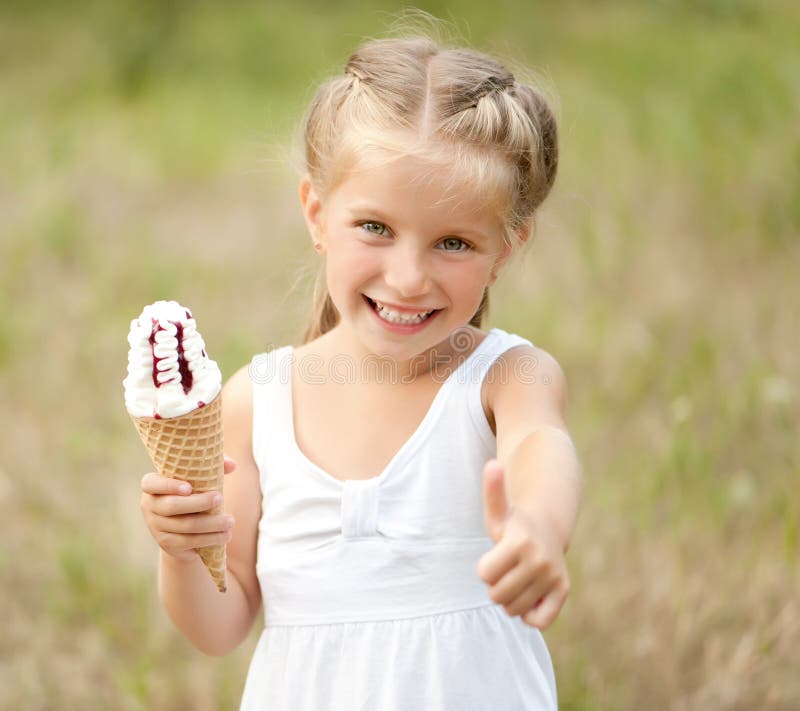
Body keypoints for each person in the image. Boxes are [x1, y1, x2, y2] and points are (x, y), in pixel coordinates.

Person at [139, 30, 582, 711]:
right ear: (317, 213)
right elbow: (219, 625)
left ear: (506, 248)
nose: (407, 278)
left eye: (454, 242)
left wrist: (539, 528)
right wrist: (181, 549)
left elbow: (540, 446)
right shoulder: (258, 401)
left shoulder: (507, 378)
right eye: (375, 227)